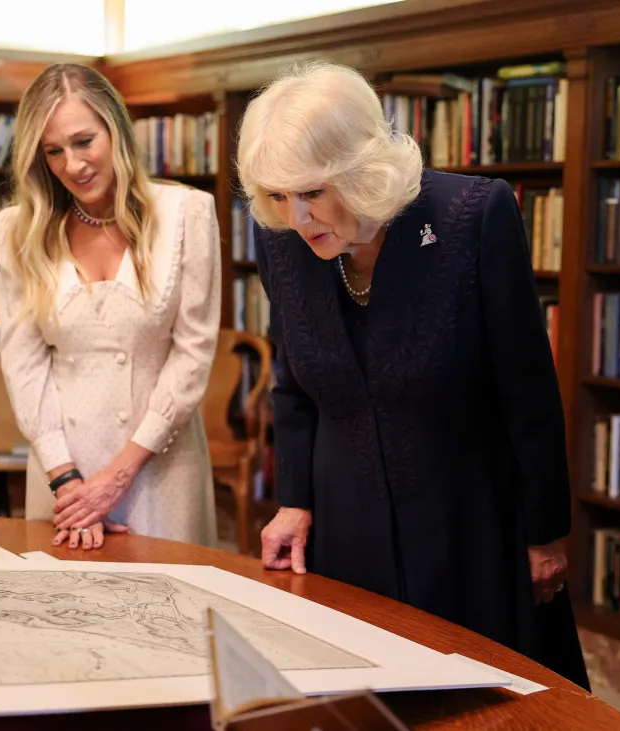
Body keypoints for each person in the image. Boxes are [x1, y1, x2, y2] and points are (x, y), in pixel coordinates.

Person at [236, 60, 590, 690]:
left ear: (362, 169)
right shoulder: (283, 240)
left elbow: (527, 388)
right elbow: (293, 381)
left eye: (312, 191)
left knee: (485, 701)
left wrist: (544, 534)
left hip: (468, 521)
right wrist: (294, 501)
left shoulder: (472, 215)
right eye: (278, 195)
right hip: (345, 526)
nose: (297, 217)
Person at [0, 63, 221, 551]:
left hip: (159, 463)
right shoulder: (17, 230)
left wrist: (117, 476)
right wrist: (68, 482)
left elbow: (193, 353)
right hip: (62, 470)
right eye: (53, 151)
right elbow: (23, 363)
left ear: (115, 128)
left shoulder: (187, 214)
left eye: (83, 141)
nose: (72, 165)